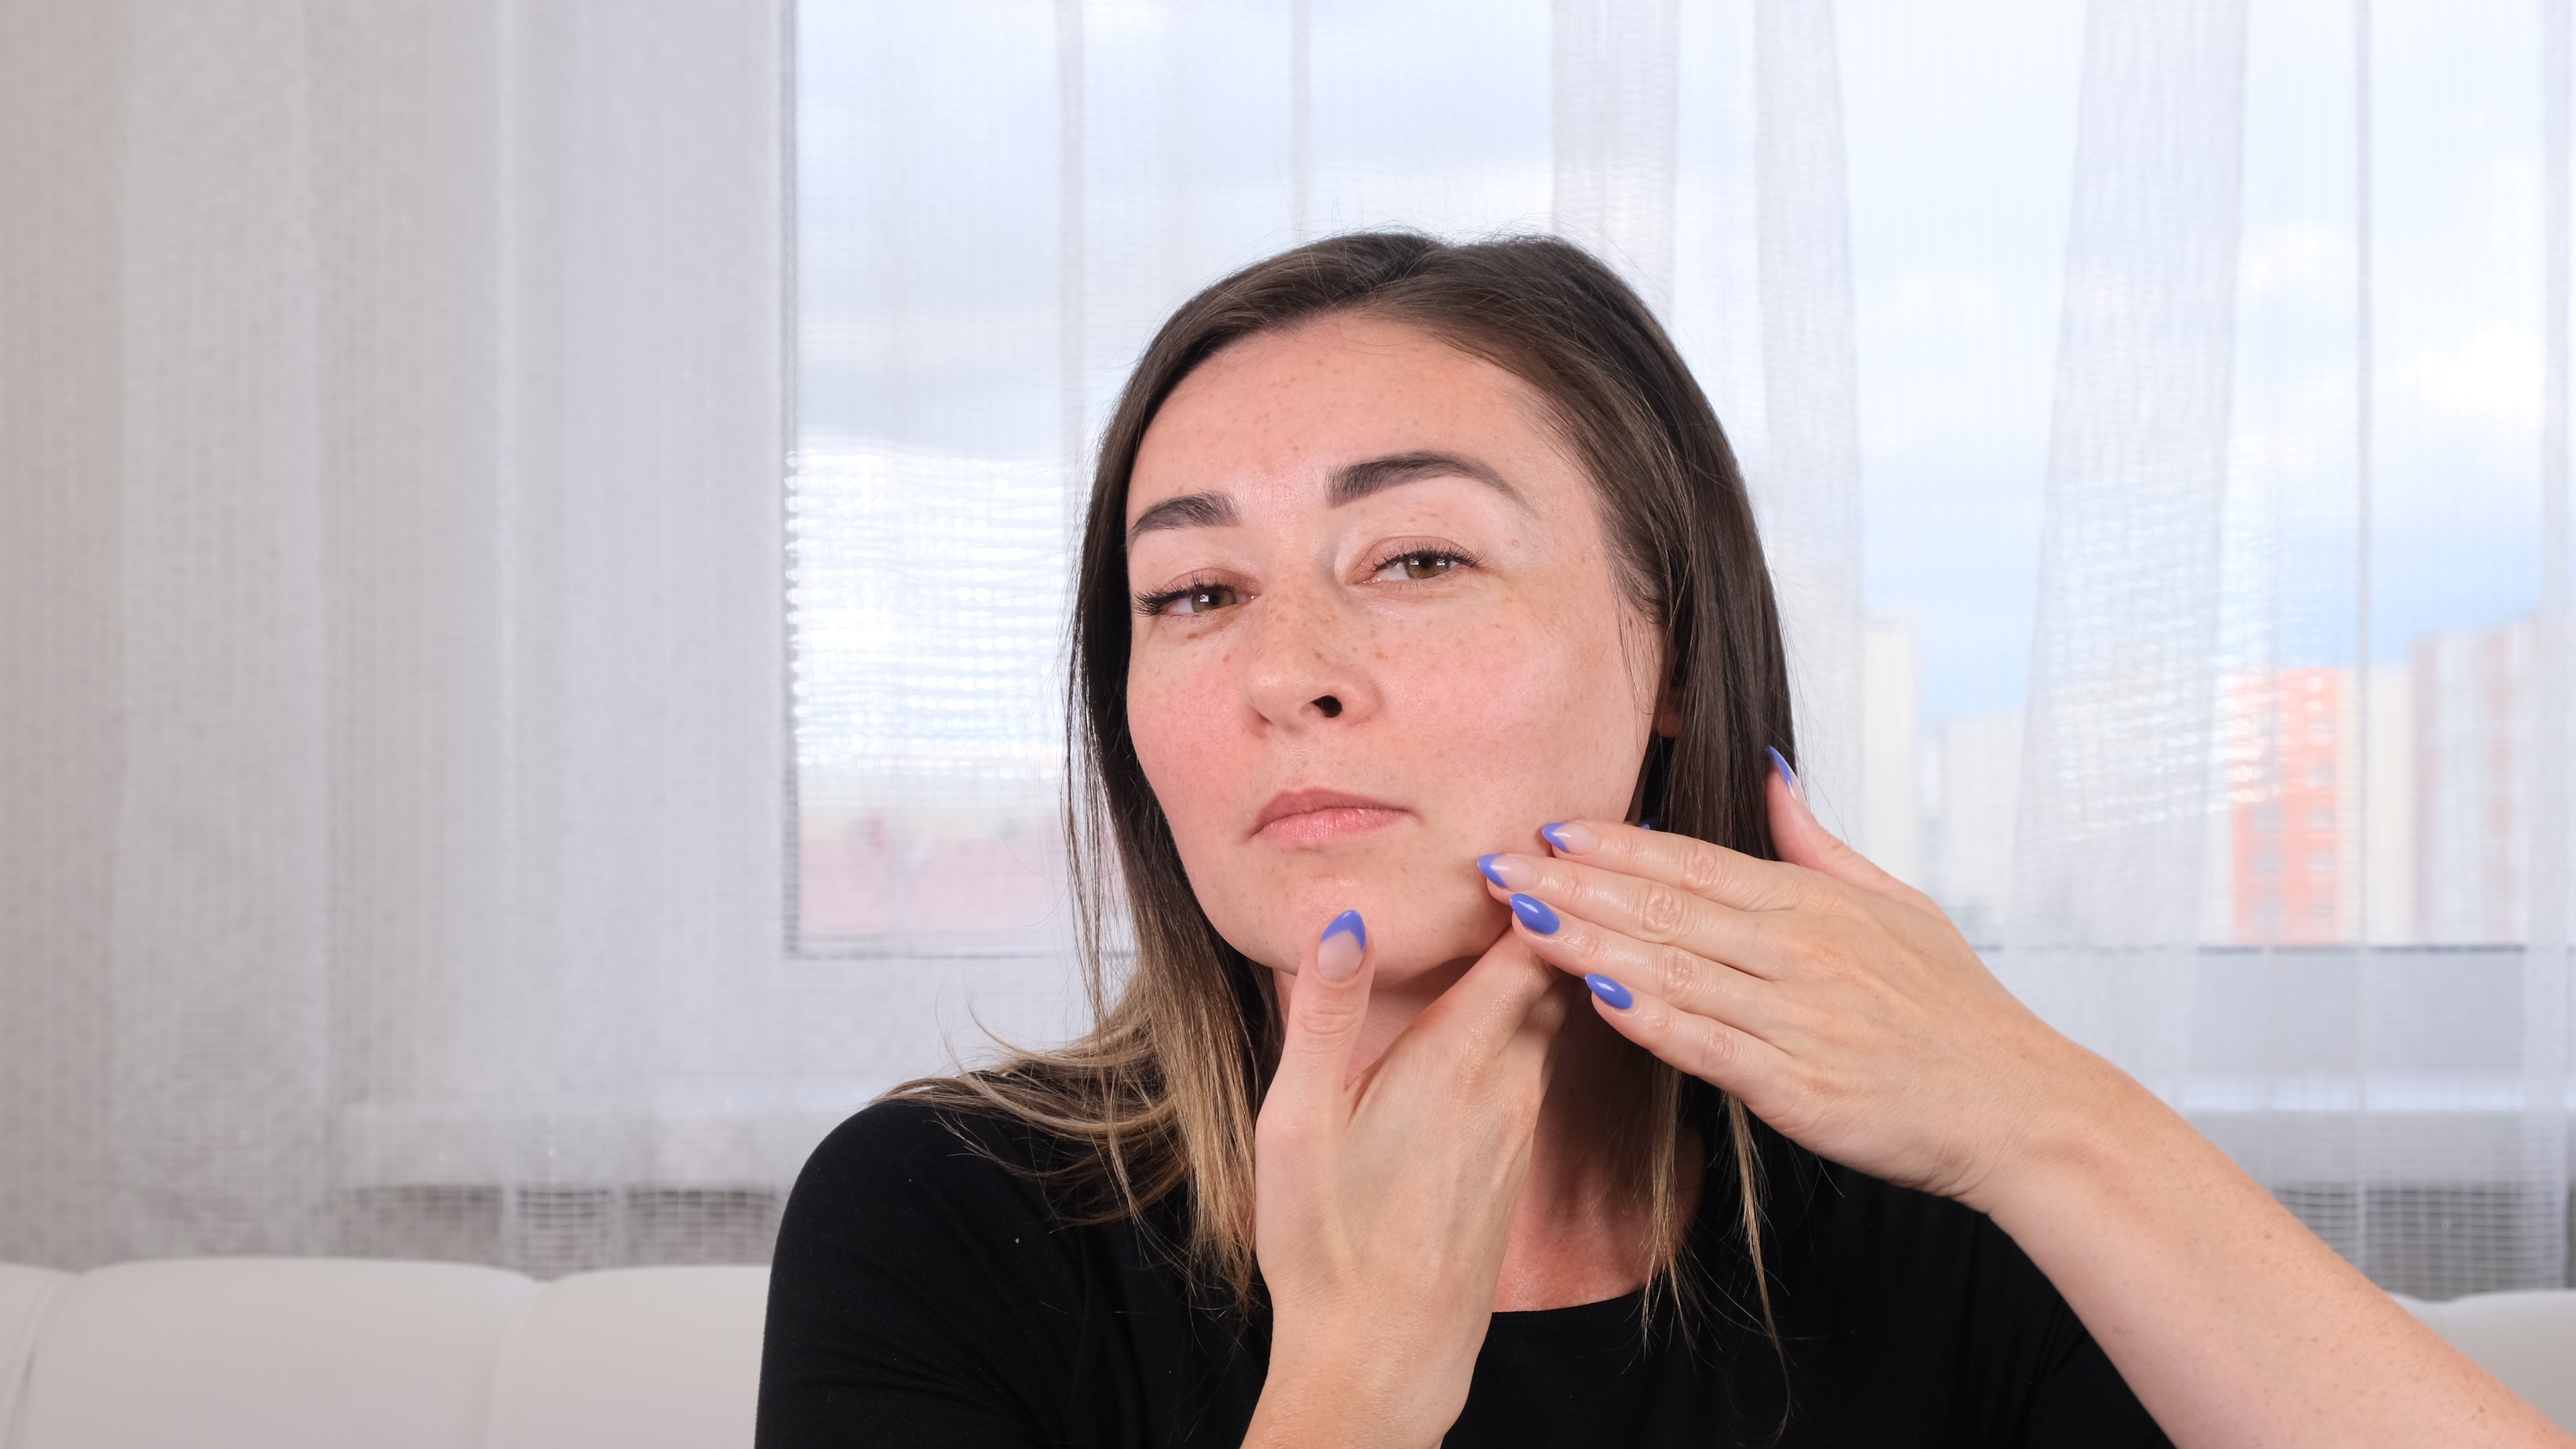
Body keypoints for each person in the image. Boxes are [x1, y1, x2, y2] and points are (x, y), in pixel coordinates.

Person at [755, 233, 2565, 1448]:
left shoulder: (1934, 1218)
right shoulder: (947, 1223)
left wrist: (2047, 1116)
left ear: (1676, 656)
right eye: (1196, 590)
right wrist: (1361, 1378)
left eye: (1417, 560)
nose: (1284, 673)